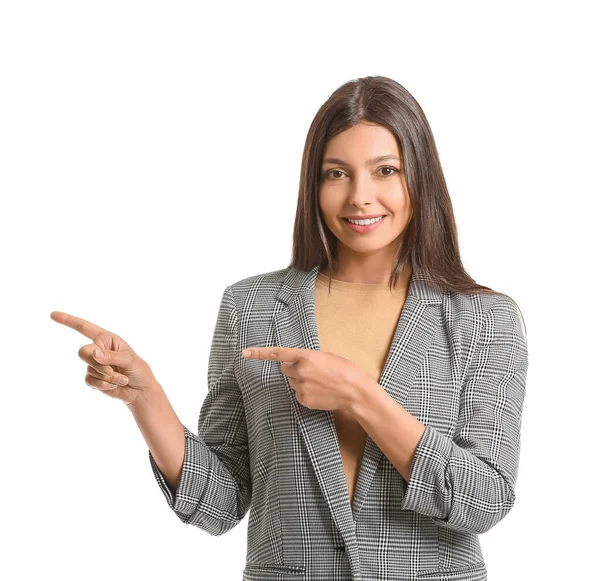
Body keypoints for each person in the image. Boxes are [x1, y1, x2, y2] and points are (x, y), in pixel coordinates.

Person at [50, 75, 528, 581]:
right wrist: (145, 397)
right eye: (337, 174)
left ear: (420, 177)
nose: (360, 197)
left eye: (385, 170)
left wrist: (361, 396)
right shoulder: (249, 307)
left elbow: (485, 500)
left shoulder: (483, 318)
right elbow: (220, 504)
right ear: (313, 185)